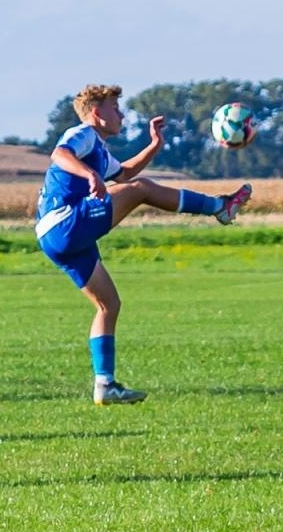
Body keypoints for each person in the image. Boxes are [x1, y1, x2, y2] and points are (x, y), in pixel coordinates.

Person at [37, 84, 253, 405]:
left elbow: (123, 173)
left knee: (109, 304)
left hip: (54, 237)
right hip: (65, 221)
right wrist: (90, 176)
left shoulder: (97, 147)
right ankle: (219, 207)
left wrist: (153, 146)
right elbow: (60, 154)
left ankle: (104, 386)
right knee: (141, 190)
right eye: (115, 108)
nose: (121, 114)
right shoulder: (82, 133)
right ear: (97, 113)